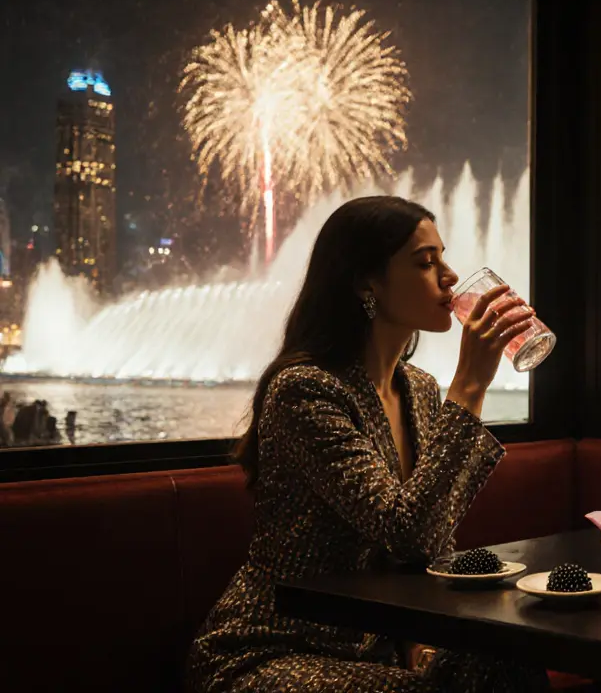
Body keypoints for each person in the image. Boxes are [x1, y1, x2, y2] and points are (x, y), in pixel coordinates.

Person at [187, 196, 549, 692]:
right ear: (366, 283)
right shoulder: (304, 390)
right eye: (426, 262)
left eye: (443, 257)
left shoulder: (417, 388)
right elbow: (404, 531)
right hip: (272, 649)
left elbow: (429, 543)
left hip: (376, 647)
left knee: (510, 658)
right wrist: (470, 385)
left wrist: (417, 640)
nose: (449, 276)